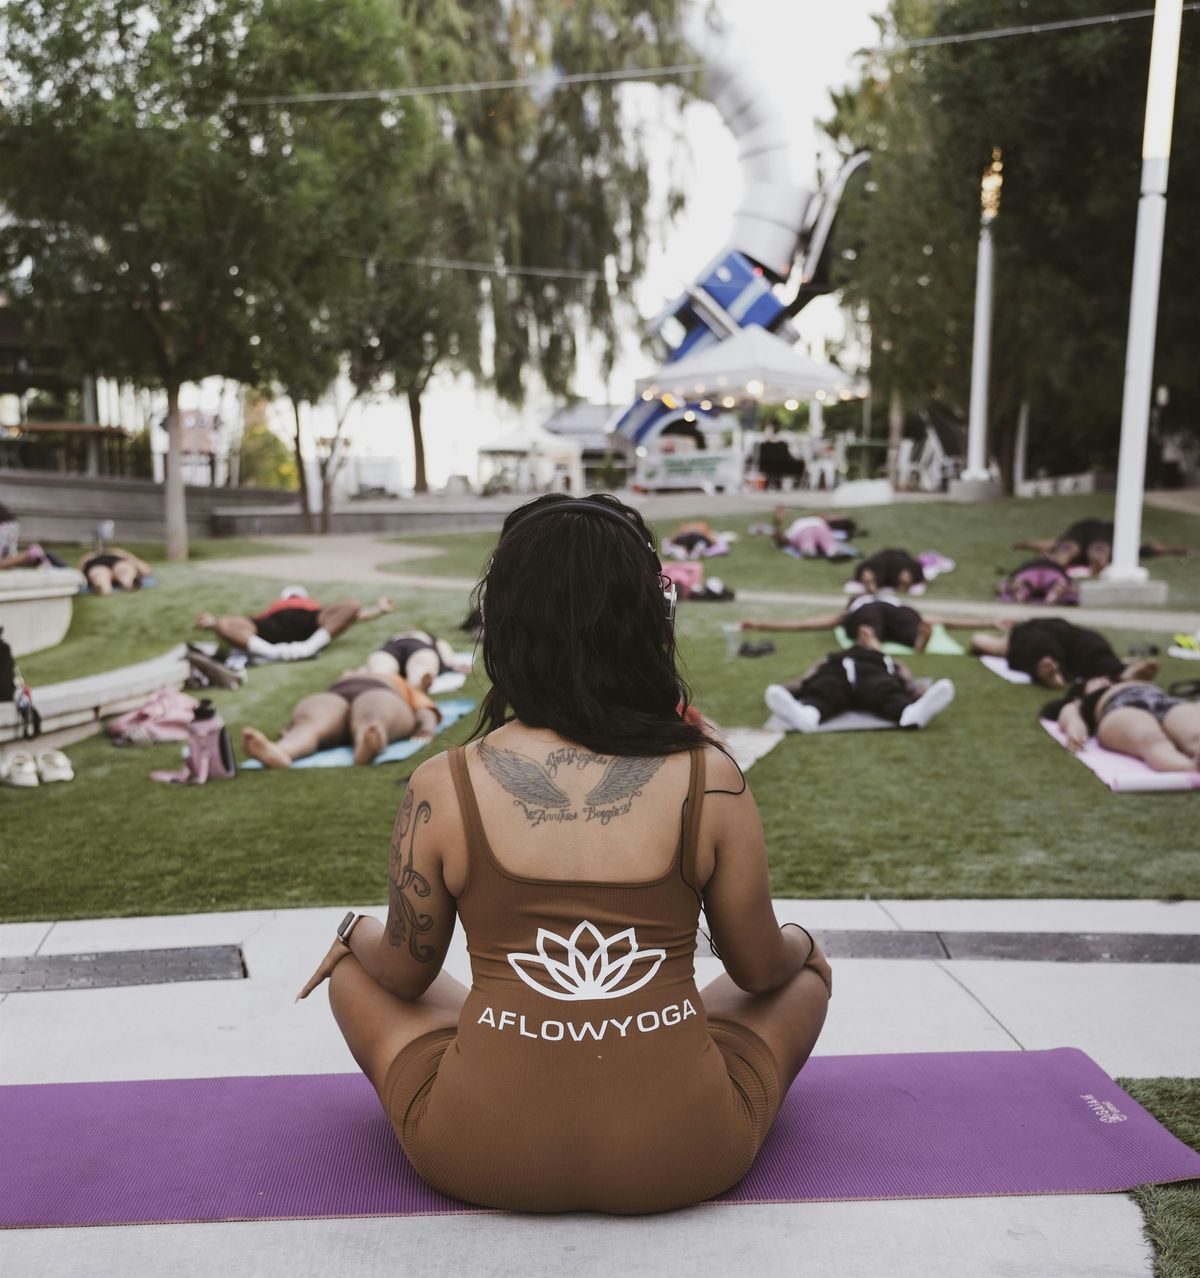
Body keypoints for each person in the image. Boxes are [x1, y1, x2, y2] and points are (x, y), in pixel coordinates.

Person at [295, 493, 832, 1214]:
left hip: (477, 1152)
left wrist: (350, 934)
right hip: (685, 1155)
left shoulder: (444, 783)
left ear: (506, 625)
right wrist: (803, 944)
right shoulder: (710, 775)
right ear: (647, 623)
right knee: (802, 980)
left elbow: (402, 975)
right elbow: (760, 969)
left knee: (353, 978)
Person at [241, 668, 440, 768]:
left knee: (372, 714)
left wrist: (426, 728)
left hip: (379, 692)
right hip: (336, 696)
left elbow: (426, 709)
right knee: (311, 722)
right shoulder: (346, 675)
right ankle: (282, 751)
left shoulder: (400, 681)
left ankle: (366, 740)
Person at [765, 632, 955, 733]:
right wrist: (799, 685)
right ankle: (806, 716)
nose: (864, 637)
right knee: (826, 688)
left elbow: (904, 674)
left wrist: (915, 690)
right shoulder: (836, 656)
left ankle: (912, 714)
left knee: (884, 689)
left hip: (873, 674)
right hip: (838, 673)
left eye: (870, 636)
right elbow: (814, 670)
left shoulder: (884, 658)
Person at [1040, 677, 1199, 772]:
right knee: (1151, 739)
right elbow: (1070, 718)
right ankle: (1190, 768)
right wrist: (1075, 734)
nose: (1103, 678)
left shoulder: (1125, 681)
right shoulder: (1078, 704)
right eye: (1094, 680)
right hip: (1118, 707)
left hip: (1161, 700)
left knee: (1195, 736)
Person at [742, 593, 993, 653]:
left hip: (870, 612)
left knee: (870, 625)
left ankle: (871, 641)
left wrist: (761, 623)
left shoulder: (854, 607)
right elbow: (946, 621)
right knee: (911, 624)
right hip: (900, 611)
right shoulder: (889, 599)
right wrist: (989, 622)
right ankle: (916, 638)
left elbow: (804, 624)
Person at [195, 587, 394, 662]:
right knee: (224, 622)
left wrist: (379, 609)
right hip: (269, 628)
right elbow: (234, 626)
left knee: (352, 603)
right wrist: (214, 623)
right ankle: (272, 653)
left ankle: (308, 649)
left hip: (311, 626)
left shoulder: (315, 607)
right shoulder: (273, 608)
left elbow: (353, 614)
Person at [971, 618, 1157, 689]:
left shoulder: (1013, 639)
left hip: (1067, 633)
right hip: (1064, 632)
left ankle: (1122, 671)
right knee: (1092, 649)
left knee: (1092, 649)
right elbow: (978, 640)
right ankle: (1050, 673)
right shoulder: (1010, 640)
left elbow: (977, 639)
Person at [1013, 518, 1188, 576]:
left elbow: (1049, 543)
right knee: (1092, 549)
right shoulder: (1113, 534)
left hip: (1086, 536)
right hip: (1098, 538)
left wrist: (1021, 543)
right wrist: (1176, 549)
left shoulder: (1110, 534)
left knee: (1069, 549)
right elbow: (1153, 547)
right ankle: (1060, 562)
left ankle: (1056, 563)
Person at [365, 630, 471, 691]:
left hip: (392, 648)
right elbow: (446, 654)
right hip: (420, 647)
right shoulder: (434, 640)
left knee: (379, 675)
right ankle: (417, 685)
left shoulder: (398, 635)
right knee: (419, 673)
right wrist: (451, 666)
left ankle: (379, 682)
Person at [771, 508, 857, 559]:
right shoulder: (818, 520)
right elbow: (780, 539)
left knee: (808, 542)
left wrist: (777, 524)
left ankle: (808, 548)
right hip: (818, 527)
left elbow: (781, 540)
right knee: (827, 542)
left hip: (802, 532)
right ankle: (831, 549)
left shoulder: (793, 529)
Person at [77, 546, 151, 593]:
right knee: (100, 574)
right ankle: (102, 585)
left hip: (115, 563)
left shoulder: (118, 553)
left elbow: (145, 568)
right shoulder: (92, 557)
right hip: (97, 565)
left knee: (123, 571)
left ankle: (103, 585)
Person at [853, 547, 925, 593]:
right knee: (908, 571)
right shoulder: (907, 560)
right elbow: (922, 579)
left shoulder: (877, 558)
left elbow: (858, 572)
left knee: (876, 575)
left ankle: (873, 583)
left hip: (878, 563)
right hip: (901, 563)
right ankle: (903, 585)